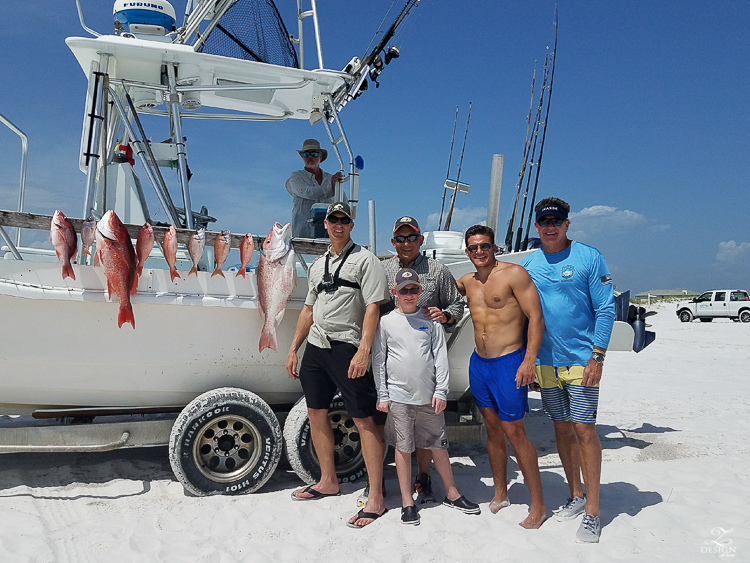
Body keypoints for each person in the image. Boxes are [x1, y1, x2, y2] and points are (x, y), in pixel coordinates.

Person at [286, 201, 391, 529]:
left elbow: (373, 307)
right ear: (326, 224)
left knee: (365, 421)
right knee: (316, 413)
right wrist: (293, 349)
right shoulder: (317, 266)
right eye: (333, 219)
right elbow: (307, 309)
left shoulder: (366, 260)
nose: (338, 224)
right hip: (316, 350)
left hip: (348, 349)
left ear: (351, 225)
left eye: (344, 220)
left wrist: (364, 350)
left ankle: (376, 497)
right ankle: (327, 480)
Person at [520, 197, 615, 543]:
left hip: (581, 361)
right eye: (544, 221)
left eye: (556, 221)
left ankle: (593, 511)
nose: (550, 226)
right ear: (536, 226)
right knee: (561, 428)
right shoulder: (529, 264)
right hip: (545, 363)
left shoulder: (589, 257)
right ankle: (575, 494)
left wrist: (598, 357)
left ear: (566, 224)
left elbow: (606, 309)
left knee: (584, 429)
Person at [456, 224, 546, 529]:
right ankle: (500, 491)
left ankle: (538, 505)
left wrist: (529, 361)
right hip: (479, 364)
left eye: (485, 246)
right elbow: (437, 289)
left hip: (509, 362)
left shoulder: (514, 274)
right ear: (466, 251)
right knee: (492, 430)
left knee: (514, 432)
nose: (479, 252)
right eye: (473, 248)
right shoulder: (467, 281)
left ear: (495, 248)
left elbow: (536, 317)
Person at [373, 268, 480, 525]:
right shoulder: (386, 322)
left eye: (414, 290)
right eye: (404, 290)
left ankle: (452, 493)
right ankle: (407, 502)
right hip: (398, 398)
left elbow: (440, 358)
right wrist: (382, 395)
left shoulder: (431, 321)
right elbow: (379, 360)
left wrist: (442, 391)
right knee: (402, 448)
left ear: (420, 291)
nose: (409, 295)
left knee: (438, 446)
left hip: (430, 398)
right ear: (394, 292)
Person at [381, 215, 465, 504]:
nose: (406, 243)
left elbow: (457, 302)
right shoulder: (384, 269)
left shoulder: (438, 270)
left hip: (429, 354)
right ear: (393, 242)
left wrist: (447, 315)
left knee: (429, 429)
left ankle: (425, 476)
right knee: (401, 432)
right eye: (400, 238)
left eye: (411, 237)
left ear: (420, 240)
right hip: (394, 359)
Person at [285, 139, 344, 238]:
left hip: (329, 236)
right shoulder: (295, 177)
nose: (310, 156)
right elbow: (308, 192)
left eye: (314, 154)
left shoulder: (331, 178)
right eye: (306, 154)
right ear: (302, 157)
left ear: (320, 156)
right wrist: (332, 187)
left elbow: (343, 203)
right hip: (303, 235)